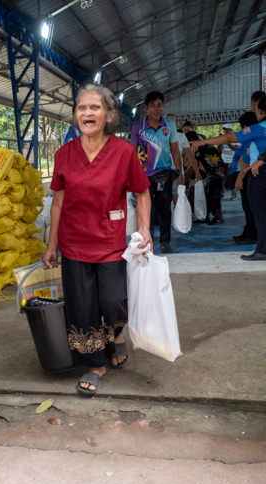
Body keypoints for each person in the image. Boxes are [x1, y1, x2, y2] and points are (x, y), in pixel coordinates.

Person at [43, 83, 151, 395]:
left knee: (114, 301)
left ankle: (116, 335)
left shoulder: (123, 152)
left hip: (110, 243)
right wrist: (52, 245)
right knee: (83, 307)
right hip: (74, 244)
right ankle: (95, 364)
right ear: (75, 115)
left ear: (108, 115)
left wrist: (144, 230)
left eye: (95, 107)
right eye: (81, 108)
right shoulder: (64, 155)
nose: (87, 113)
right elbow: (58, 202)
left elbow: (141, 190)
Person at [191, 96, 266, 260]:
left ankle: (262, 249)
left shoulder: (258, 128)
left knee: (258, 211)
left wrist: (203, 142)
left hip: (259, 173)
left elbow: (229, 138)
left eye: (256, 108)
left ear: (261, 111)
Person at [130, 91, 182, 253]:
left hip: (164, 174)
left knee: (164, 209)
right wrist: (131, 175)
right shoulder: (138, 126)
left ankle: (165, 241)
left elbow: (175, 150)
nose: (156, 109)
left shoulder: (169, 125)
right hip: (144, 176)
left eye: (159, 105)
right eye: (152, 106)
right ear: (146, 108)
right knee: (147, 210)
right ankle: (147, 240)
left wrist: (179, 174)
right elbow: (131, 152)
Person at [230, 112, 258, 245]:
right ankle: (248, 231)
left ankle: (252, 235)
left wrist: (239, 179)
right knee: (248, 207)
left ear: (246, 126)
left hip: (249, 175)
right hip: (251, 175)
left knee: (250, 207)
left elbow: (245, 162)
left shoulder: (250, 139)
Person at [187, 131, 225, 225]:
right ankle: (210, 215)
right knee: (210, 195)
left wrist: (197, 173)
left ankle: (218, 217)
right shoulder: (205, 144)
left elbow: (197, 163)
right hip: (217, 172)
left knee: (214, 195)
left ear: (192, 140)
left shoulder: (199, 147)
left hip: (216, 173)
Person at [166, 113, 202, 205]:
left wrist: (197, 172)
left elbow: (190, 156)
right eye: (167, 121)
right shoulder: (159, 137)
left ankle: (177, 217)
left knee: (176, 195)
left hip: (177, 173)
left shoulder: (181, 137)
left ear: (175, 123)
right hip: (163, 172)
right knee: (164, 197)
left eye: (172, 121)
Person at [221, 124, 239, 200]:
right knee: (221, 178)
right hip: (223, 160)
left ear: (230, 130)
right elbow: (219, 149)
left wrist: (229, 144)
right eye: (224, 129)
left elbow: (236, 149)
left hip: (231, 161)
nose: (225, 131)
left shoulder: (235, 139)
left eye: (227, 129)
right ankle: (221, 194)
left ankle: (233, 195)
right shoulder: (222, 138)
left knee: (232, 178)